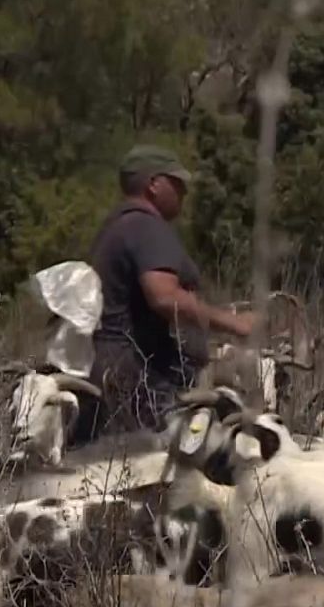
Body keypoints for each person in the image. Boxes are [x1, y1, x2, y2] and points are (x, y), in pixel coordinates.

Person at [87, 145, 254, 434]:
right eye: (176, 183)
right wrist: (235, 323)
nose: (184, 192)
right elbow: (164, 297)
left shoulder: (118, 226)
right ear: (153, 184)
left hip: (112, 370)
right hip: (140, 377)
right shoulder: (146, 227)